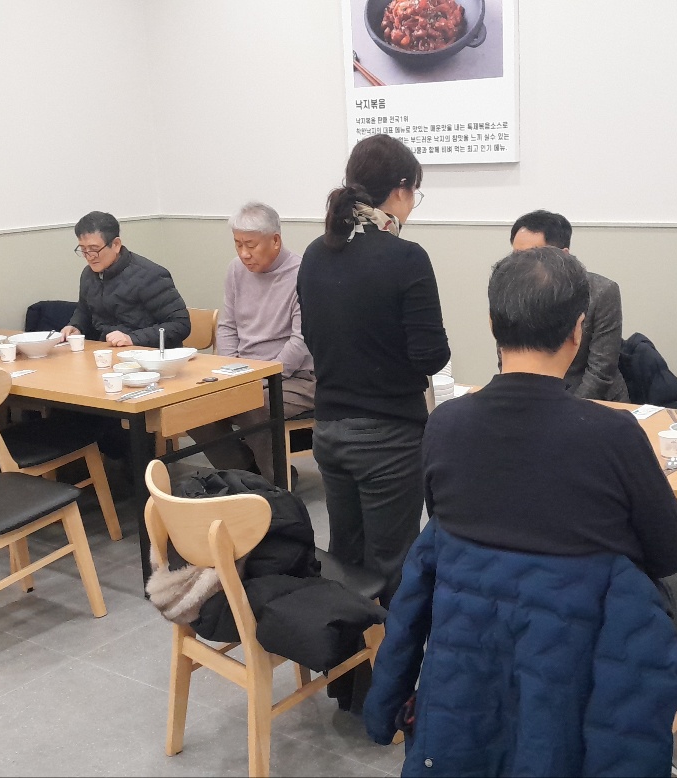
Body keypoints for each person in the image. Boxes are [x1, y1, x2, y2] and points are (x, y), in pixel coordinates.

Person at [362, 248, 677, 776]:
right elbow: (670, 551)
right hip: (572, 664)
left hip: (466, 655)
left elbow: (445, 523)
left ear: (492, 324)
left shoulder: (445, 424)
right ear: (578, 330)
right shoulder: (612, 434)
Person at [298, 133, 450, 599]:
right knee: (393, 565)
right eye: (415, 192)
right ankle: (394, 646)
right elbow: (431, 356)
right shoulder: (406, 257)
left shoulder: (316, 252)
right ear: (401, 189)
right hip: (389, 437)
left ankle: (348, 644)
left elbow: (313, 337)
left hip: (328, 431)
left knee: (345, 557)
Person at [187, 202, 314, 484]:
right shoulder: (235, 270)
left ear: (275, 240)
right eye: (238, 244)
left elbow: (301, 340)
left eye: (251, 245)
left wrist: (260, 378)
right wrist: (231, 371)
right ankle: (246, 474)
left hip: (296, 377)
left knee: (249, 403)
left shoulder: (303, 274)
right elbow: (228, 326)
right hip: (244, 373)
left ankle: (277, 483)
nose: (244, 253)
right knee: (190, 408)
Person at [509, 210, 627, 402]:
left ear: (564, 255)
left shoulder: (602, 292)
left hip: (592, 400)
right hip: (534, 398)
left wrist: (565, 409)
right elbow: (508, 359)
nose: (521, 266)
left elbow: (601, 372)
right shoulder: (510, 291)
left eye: (533, 256)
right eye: (516, 256)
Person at [61, 211, 190, 348]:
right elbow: (84, 311)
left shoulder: (149, 275)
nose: (89, 256)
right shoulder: (88, 274)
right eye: (83, 249)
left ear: (116, 244)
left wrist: (132, 338)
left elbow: (180, 325)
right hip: (109, 350)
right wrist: (76, 326)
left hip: (148, 353)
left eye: (94, 249)